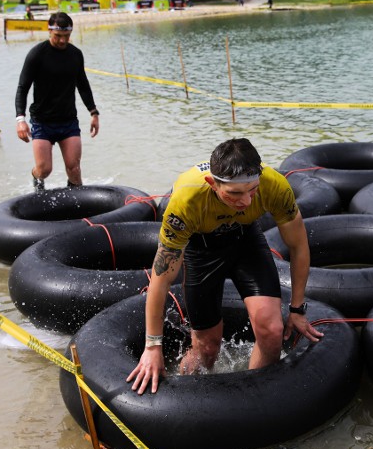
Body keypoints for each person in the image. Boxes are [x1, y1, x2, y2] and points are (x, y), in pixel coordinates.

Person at [127, 138, 323, 395]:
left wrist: (297, 309)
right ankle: (188, 396)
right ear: (212, 183)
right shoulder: (186, 201)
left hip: (246, 240)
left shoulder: (274, 184)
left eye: (252, 190)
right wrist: (152, 347)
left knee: (272, 330)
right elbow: (161, 277)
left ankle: (250, 399)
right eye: (235, 194)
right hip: (202, 247)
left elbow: (298, 246)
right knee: (207, 347)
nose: (246, 202)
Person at [14, 12, 99, 191]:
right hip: (42, 121)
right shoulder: (37, 54)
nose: (62, 41)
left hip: (68, 121)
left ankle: (75, 207)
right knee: (45, 169)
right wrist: (20, 120)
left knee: (74, 168)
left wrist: (93, 112)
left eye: (66, 36)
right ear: (49, 31)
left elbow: (82, 85)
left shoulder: (75, 54)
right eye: (58, 36)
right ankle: (37, 190)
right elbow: (23, 88)